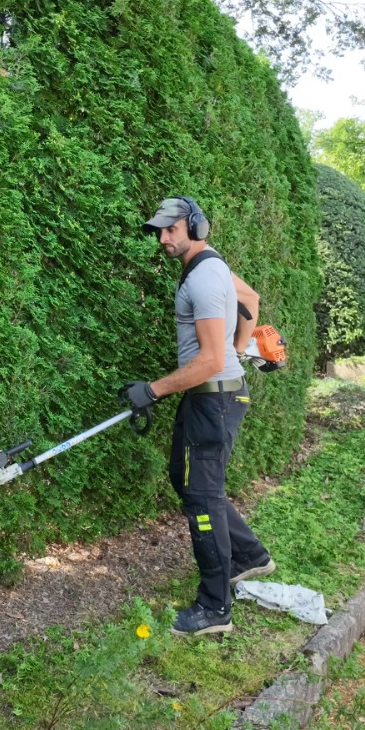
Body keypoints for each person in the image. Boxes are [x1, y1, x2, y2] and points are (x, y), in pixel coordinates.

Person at [122, 196, 275, 637]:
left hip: (212, 397)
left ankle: (215, 608)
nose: (164, 238)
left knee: (202, 497)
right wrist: (240, 349)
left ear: (195, 225)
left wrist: (150, 391)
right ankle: (248, 556)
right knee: (184, 477)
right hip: (212, 396)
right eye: (159, 231)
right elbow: (251, 299)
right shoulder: (211, 267)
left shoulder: (203, 279)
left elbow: (208, 361)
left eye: (172, 229)